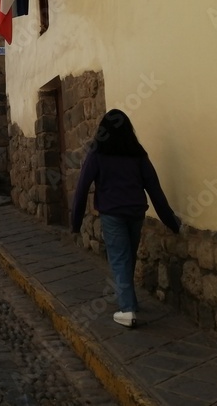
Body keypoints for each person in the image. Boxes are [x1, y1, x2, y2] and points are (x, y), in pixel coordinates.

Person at [70, 109, 182, 328]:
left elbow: (82, 187)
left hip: (112, 214)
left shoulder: (97, 154)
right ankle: (129, 301)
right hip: (135, 212)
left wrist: (75, 222)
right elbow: (154, 189)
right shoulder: (138, 154)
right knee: (127, 257)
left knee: (120, 259)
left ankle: (127, 309)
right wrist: (171, 222)